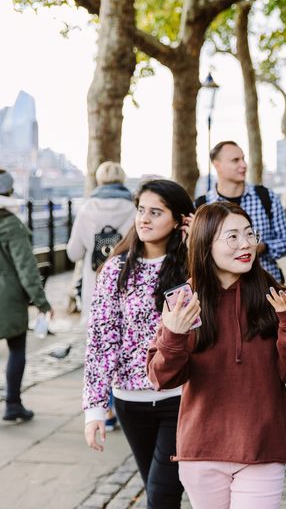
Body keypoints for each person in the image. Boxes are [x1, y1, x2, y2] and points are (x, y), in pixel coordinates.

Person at [147, 202, 286, 509]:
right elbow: (162, 378)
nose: (246, 244)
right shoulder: (184, 302)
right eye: (233, 237)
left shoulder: (274, 297)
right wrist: (173, 335)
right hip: (202, 449)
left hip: (263, 447)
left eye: (249, 234)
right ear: (205, 244)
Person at [83, 179, 194, 508]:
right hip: (129, 401)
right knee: (155, 487)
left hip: (179, 398)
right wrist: (95, 409)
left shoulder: (193, 267)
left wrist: (198, 238)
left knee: (162, 494)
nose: (144, 219)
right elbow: (102, 341)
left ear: (178, 220)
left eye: (156, 212)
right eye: (141, 210)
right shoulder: (116, 269)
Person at [196, 141, 286, 283]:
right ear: (217, 165)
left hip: (266, 286)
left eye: (243, 159)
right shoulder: (202, 206)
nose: (244, 165)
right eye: (236, 160)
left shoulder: (266, 197)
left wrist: (263, 247)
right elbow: (197, 251)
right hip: (221, 290)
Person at [0, 170, 54, 422]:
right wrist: (42, 303)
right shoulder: (11, 224)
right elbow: (26, 269)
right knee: (16, 349)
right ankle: (12, 403)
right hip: (7, 299)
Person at [67, 161, 135, 322]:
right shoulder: (134, 209)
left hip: (95, 284)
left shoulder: (86, 209)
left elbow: (73, 253)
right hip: (126, 280)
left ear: (98, 180)